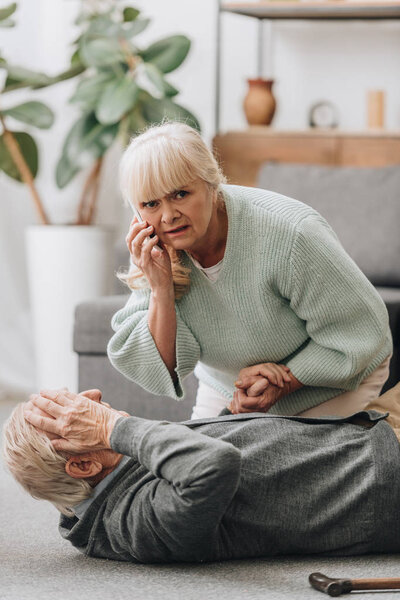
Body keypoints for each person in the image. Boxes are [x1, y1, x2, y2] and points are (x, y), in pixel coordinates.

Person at [107, 120, 393, 419]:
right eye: (151, 203)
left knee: (290, 464)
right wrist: (160, 289)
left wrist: (284, 380)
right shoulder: (157, 247)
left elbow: (361, 331)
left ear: (210, 182)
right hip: (230, 385)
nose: (168, 216)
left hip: (330, 379)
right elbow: (158, 367)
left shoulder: (291, 234)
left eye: (180, 194)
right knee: (195, 464)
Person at [3, 385, 400, 564]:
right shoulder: (134, 526)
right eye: (78, 417)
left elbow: (217, 455)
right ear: (85, 466)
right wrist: (111, 428)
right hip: (382, 477)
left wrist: (235, 416)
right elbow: (213, 466)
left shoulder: (113, 476)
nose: (95, 399)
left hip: (368, 430)